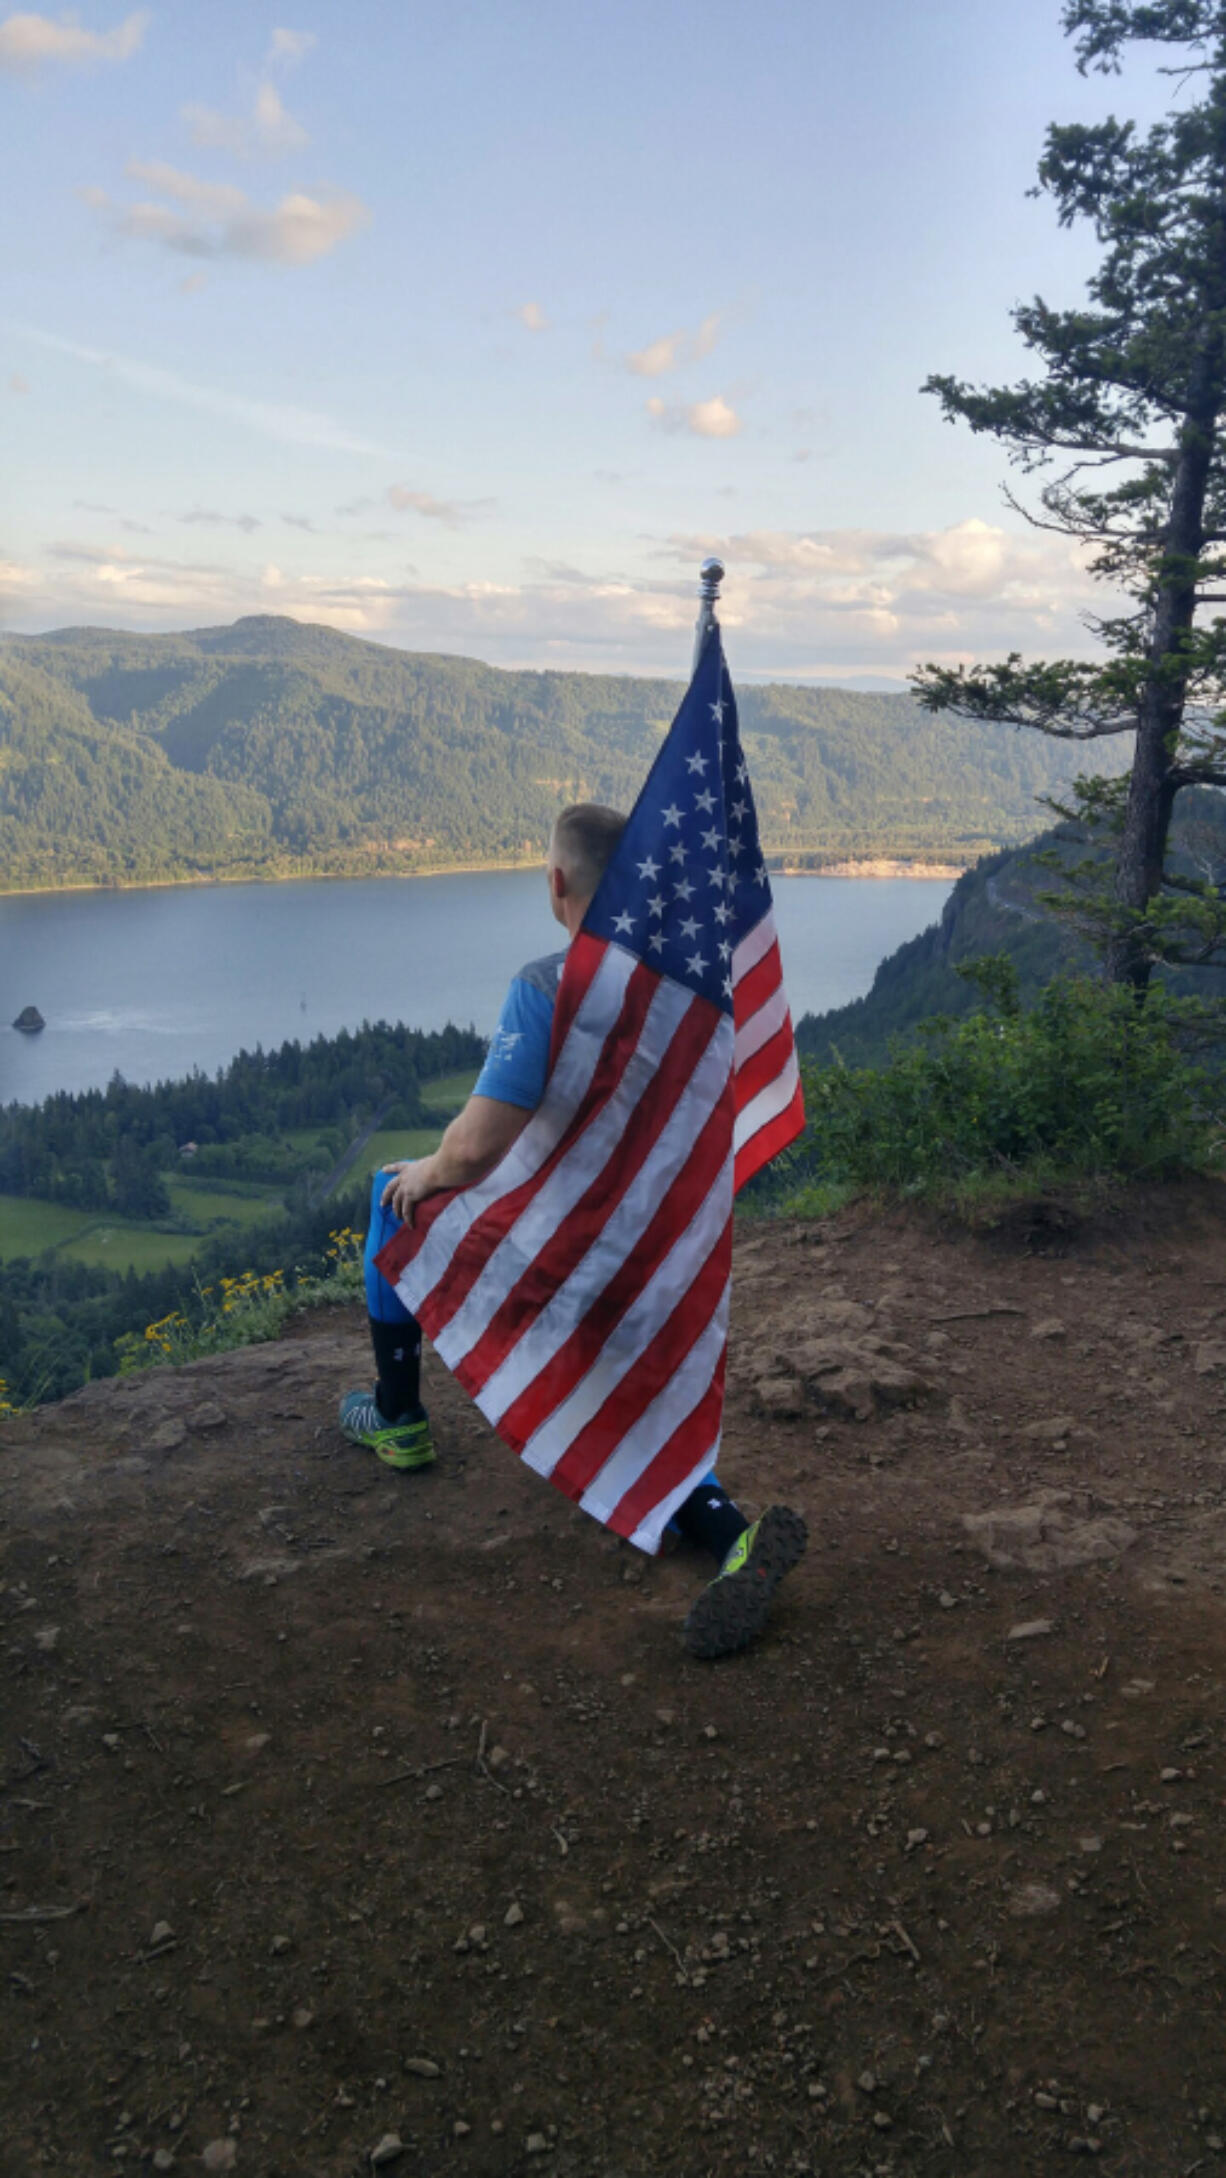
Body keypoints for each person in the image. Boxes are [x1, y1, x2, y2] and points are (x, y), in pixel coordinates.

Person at [339, 803, 806, 1658]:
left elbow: (476, 1149)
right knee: (648, 1429)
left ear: (557, 883)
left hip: (561, 1254)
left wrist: (424, 1174)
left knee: (388, 1195)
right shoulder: (690, 992)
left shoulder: (549, 985)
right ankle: (733, 1538)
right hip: (659, 1258)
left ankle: (398, 1419)